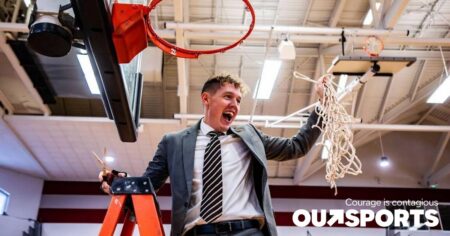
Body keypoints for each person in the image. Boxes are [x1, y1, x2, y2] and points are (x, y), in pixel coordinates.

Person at [100, 74, 326, 236]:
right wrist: (121, 184)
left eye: (238, 100)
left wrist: (322, 106)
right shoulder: (174, 142)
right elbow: (149, 184)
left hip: (247, 231)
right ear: (206, 99)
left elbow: (297, 146)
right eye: (228, 97)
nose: (235, 105)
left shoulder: (250, 136)